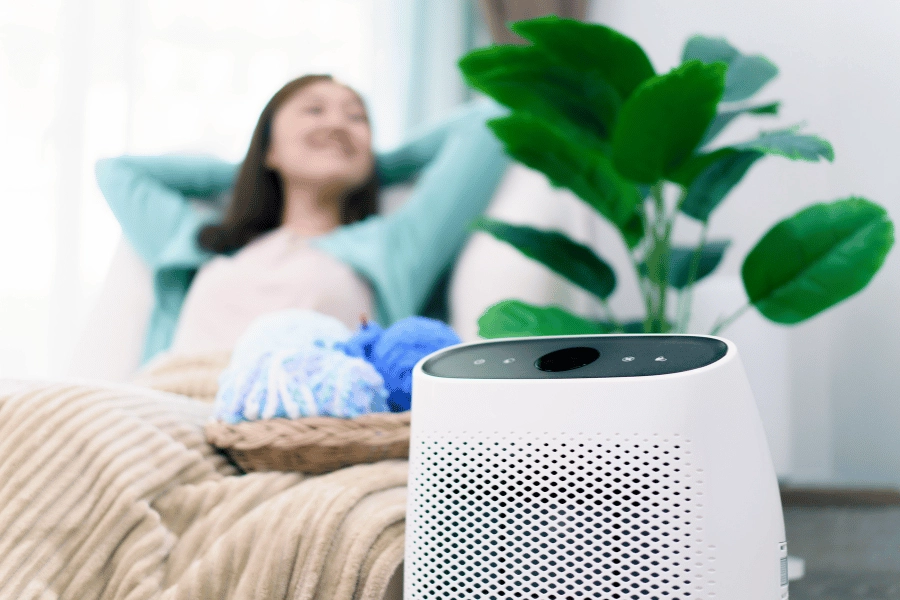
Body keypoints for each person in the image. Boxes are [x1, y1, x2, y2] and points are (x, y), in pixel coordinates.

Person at [96, 74, 510, 363]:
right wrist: (253, 168)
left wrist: (374, 165)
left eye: (356, 119)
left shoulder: (390, 251)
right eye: (314, 111)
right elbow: (118, 172)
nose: (336, 124)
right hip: (170, 409)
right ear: (269, 147)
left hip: (295, 436)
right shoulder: (202, 241)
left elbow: (491, 120)